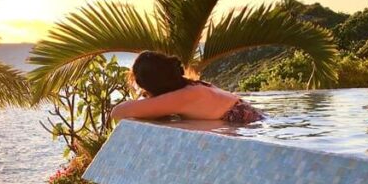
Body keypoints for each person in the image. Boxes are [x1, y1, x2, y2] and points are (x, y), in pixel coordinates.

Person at [110, 51, 264, 123]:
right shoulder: (193, 86)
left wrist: (147, 101)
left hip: (247, 126)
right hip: (254, 119)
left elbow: (117, 112)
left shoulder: (181, 97)